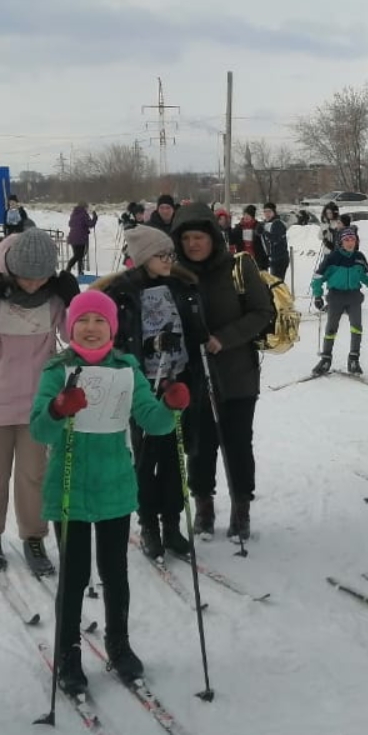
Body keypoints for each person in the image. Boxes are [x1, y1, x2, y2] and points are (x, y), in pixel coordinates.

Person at [29, 290, 189, 694]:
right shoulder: (57, 369)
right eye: (83, 320)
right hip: (69, 488)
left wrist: (171, 405)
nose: (91, 328)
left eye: (100, 321)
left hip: (114, 485)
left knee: (115, 571)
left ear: (112, 328)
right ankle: (68, 652)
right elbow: (38, 429)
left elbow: (153, 422)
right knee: (75, 573)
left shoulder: (127, 368)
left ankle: (119, 645)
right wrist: (58, 409)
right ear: (71, 327)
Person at [0, 230, 80, 576]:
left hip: (39, 403)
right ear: (11, 270)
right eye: (26, 278)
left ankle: (33, 536)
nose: (34, 285)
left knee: (34, 475)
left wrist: (74, 302)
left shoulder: (53, 295)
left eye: (42, 278)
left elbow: (75, 338)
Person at [93, 226, 208, 559]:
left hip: (179, 380)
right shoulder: (122, 292)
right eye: (162, 255)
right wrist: (149, 344)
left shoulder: (180, 286)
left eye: (171, 254)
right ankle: (148, 526)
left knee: (175, 456)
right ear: (144, 257)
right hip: (143, 385)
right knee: (146, 460)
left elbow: (194, 328)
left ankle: (171, 523)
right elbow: (112, 339)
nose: (170, 260)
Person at [174, 208, 275, 540]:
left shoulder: (238, 266)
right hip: (192, 377)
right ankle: (204, 506)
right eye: (186, 238)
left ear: (212, 238)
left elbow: (262, 312)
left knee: (237, 443)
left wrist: (225, 339)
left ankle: (241, 508)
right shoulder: (175, 273)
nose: (192, 244)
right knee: (199, 445)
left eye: (198, 237)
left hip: (236, 374)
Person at [310, 227, 368, 376]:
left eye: (353, 240)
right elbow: (318, 277)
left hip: (354, 297)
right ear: (341, 242)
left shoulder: (359, 257)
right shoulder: (333, 258)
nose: (350, 243)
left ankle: (353, 360)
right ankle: (325, 359)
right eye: (347, 240)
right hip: (336, 297)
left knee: (357, 327)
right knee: (331, 328)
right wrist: (317, 295)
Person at [232, 204, 270, 272]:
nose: (246, 217)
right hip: (243, 260)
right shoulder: (238, 228)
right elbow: (232, 241)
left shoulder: (258, 227)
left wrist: (265, 263)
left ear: (252, 216)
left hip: (257, 260)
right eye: (245, 214)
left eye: (248, 215)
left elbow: (265, 245)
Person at [66, 201, 98, 276]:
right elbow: (90, 224)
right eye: (86, 207)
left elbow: (70, 224)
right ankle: (68, 269)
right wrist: (95, 217)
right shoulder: (84, 214)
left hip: (73, 237)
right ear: (84, 207)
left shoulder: (74, 214)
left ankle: (80, 271)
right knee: (78, 255)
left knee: (78, 255)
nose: (87, 209)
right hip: (81, 238)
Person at [260, 202, 290, 279]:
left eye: (269, 211)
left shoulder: (277, 223)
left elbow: (276, 239)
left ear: (274, 212)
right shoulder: (266, 223)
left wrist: (264, 232)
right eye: (265, 211)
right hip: (272, 258)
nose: (267, 214)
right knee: (274, 283)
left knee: (277, 283)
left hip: (280, 258)